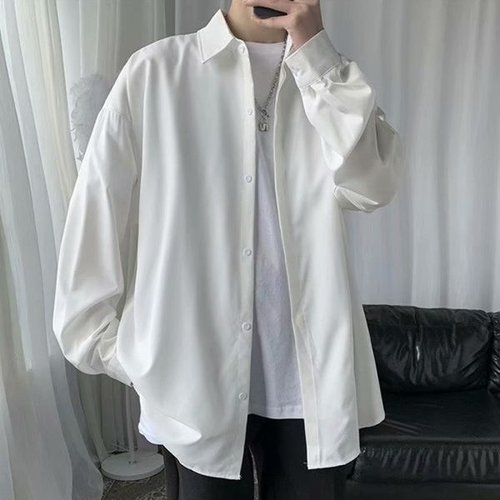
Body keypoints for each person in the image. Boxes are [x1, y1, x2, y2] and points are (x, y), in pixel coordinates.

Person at [52, 0, 404, 499]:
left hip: (309, 383)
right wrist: (126, 352)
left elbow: (375, 188)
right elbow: (97, 212)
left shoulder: (331, 81)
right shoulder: (157, 72)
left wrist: (318, 58)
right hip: (192, 384)